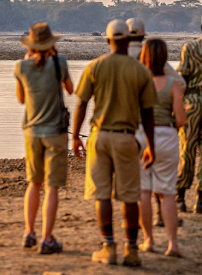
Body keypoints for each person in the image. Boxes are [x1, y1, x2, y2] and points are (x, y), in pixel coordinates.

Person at [72, 19, 158, 267]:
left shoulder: (95, 66)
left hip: (99, 136)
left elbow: (82, 103)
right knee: (130, 196)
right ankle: (131, 250)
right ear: (129, 40)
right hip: (126, 137)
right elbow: (148, 113)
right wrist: (151, 145)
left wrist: (76, 136)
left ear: (108, 40)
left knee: (102, 195)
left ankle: (108, 246)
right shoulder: (140, 70)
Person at [15, 22, 73, 254]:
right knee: (52, 187)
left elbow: (21, 99)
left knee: (34, 183)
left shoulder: (21, 67)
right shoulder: (60, 63)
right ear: (51, 44)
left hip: (32, 133)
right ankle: (47, 238)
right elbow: (70, 89)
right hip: (56, 134)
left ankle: (29, 232)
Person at [126, 17, 186, 227]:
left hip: (132, 128)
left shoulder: (119, 55)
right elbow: (180, 82)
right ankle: (163, 217)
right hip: (162, 129)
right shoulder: (150, 54)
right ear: (143, 34)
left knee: (141, 184)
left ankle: (142, 235)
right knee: (164, 183)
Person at [137, 39, 186, 257]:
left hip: (142, 137)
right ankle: (172, 244)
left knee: (144, 192)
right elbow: (182, 119)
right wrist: (169, 126)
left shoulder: (139, 82)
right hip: (167, 136)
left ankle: (148, 241)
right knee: (166, 193)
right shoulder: (173, 84)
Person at [176, 17, 202, 214]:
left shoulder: (190, 48)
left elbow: (182, 78)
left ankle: (181, 196)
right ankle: (200, 199)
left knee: (187, 149)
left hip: (192, 102)